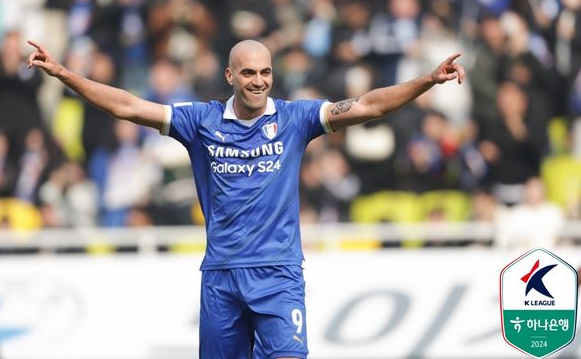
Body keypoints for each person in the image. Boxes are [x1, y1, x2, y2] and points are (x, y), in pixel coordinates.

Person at [27, 38, 465, 359]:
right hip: (222, 276)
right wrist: (65, 74)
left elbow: (368, 105)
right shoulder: (200, 121)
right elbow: (126, 106)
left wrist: (428, 80)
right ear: (230, 76)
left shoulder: (295, 118)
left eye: (266, 73)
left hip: (278, 274)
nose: (259, 82)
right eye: (249, 73)